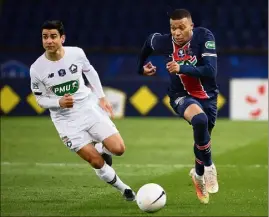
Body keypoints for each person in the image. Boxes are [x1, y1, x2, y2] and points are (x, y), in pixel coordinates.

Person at [30, 20, 135, 201]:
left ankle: (100, 146)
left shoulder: (76, 53)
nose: (49, 41)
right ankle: (124, 189)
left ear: (62, 38)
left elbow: (90, 71)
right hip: (65, 121)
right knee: (95, 161)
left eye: (53, 36)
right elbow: (40, 99)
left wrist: (101, 97)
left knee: (118, 149)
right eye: (45, 37)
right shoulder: (37, 68)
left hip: (88, 107)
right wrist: (58, 102)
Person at [137, 9, 219, 204]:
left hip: (207, 96)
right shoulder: (165, 42)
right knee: (200, 120)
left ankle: (198, 174)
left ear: (191, 26)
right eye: (173, 28)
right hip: (180, 95)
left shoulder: (204, 36)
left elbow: (210, 70)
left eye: (181, 27)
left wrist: (181, 67)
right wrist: (141, 67)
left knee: (203, 137)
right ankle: (209, 167)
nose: (176, 32)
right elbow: (149, 42)